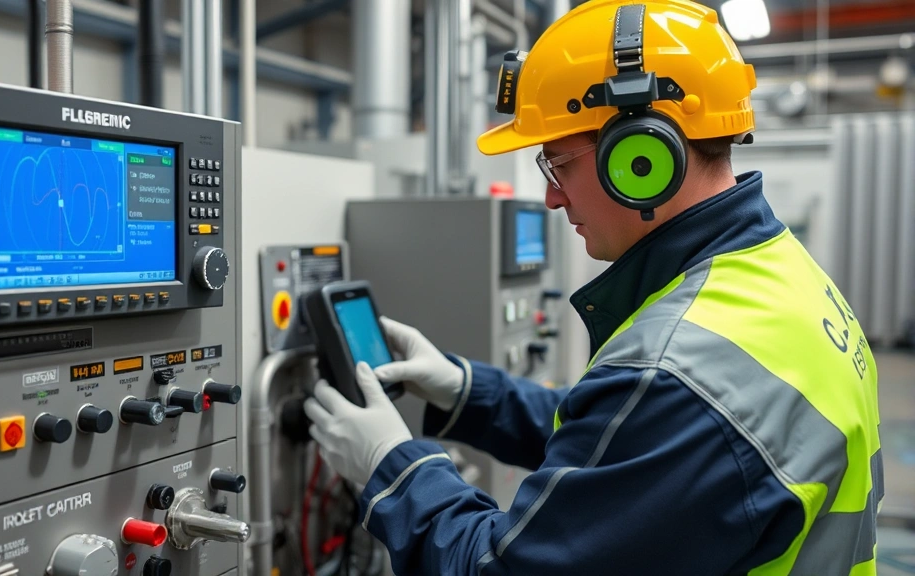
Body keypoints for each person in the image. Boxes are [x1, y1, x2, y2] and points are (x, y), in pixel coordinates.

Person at [303, 0, 884, 574]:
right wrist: (465, 390)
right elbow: (630, 448)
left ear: (640, 156)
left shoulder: (676, 371)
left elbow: (496, 568)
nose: (552, 197)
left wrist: (391, 464)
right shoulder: (778, 271)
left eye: (557, 164)